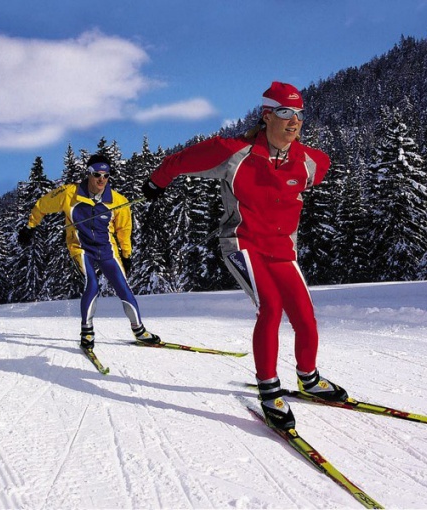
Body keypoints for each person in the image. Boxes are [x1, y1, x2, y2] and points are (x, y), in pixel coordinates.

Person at [141, 82, 347, 429]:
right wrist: (156, 182)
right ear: (266, 115)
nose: (293, 122)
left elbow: (318, 168)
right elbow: (180, 161)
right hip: (242, 244)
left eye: (298, 114)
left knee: (305, 315)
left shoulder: (310, 162)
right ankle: (269, 390)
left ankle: (309, 378)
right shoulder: (233, 152)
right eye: (284, 113)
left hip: (283, 250)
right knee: (271, 306)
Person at [18, 154, 161, 353]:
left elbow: (124, 231)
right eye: (97, 174)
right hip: (81, 248)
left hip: (107, 250)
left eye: (106, 175)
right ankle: (87, 331)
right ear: (88, 174)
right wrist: (30, 226)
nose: (101, 179)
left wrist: (126, 255)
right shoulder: (70, 194)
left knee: (123, 287)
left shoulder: (118, 201)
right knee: (91, 284)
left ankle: (139, 331)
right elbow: (42, 205)